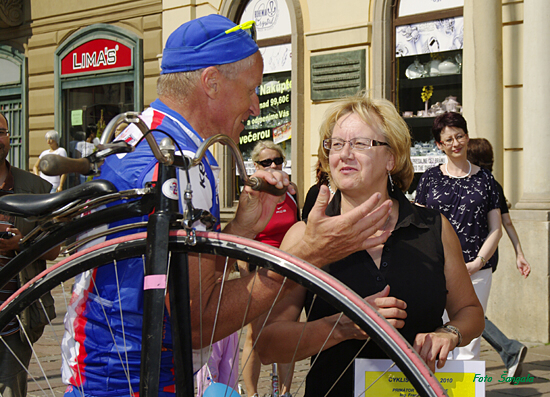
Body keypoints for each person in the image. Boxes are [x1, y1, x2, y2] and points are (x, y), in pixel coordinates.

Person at [60, 16, 393, 397]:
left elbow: (181, 271)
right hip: (132, 381)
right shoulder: (177, 164)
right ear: (212, 82)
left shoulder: (150, 135)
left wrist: (240, 230)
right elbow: (197, 322)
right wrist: (303, 256)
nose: (255, 106)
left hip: (116, 369)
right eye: (251, 89)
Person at [255, 93, 484, 397]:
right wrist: (340, 326)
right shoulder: (304, 236)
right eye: (336, 144)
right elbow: (268, 345)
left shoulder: (433, 228)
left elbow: (470, 312)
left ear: (392, 157)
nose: (344, 154)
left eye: (361, 143)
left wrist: (450, 333)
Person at [415, 112, 503, 361]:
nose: (455, 143)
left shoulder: (485, 179)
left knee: (467, 342)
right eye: (448, 139)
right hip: (435, 270)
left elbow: (495, 229)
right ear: (439, 145)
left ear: (467, 136)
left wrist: (478, 263)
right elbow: (420, 222)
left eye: (459, 136)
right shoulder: (430, 178)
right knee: (435, 337)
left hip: (475, 272)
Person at [0, 112, 59, 397]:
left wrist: (21, 245)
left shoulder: (36, 189)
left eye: (0, 132)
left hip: (14, 321)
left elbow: (54, 249)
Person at [467, 137, 530, 378]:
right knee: (469, 312)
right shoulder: (493, 183)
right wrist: (519, 253)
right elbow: (507, 222)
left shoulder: (482, 183)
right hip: (485, 259)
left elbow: (504, 223)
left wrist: (520, 254)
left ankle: (510, 349)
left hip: (473, 261)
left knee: (466, 313)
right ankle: (510, 350)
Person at [240, 141, 299, 397]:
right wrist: (244, 278)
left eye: (277, 160)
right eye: (266, 162)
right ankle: (251, 393)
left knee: (288, 334)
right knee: (254, 335)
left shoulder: (292, 192)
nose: (273, 166)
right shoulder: (252, 194)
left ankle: (284, 392)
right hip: (260, 271)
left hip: (290, 270)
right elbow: (243, 239)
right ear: (256, 166)